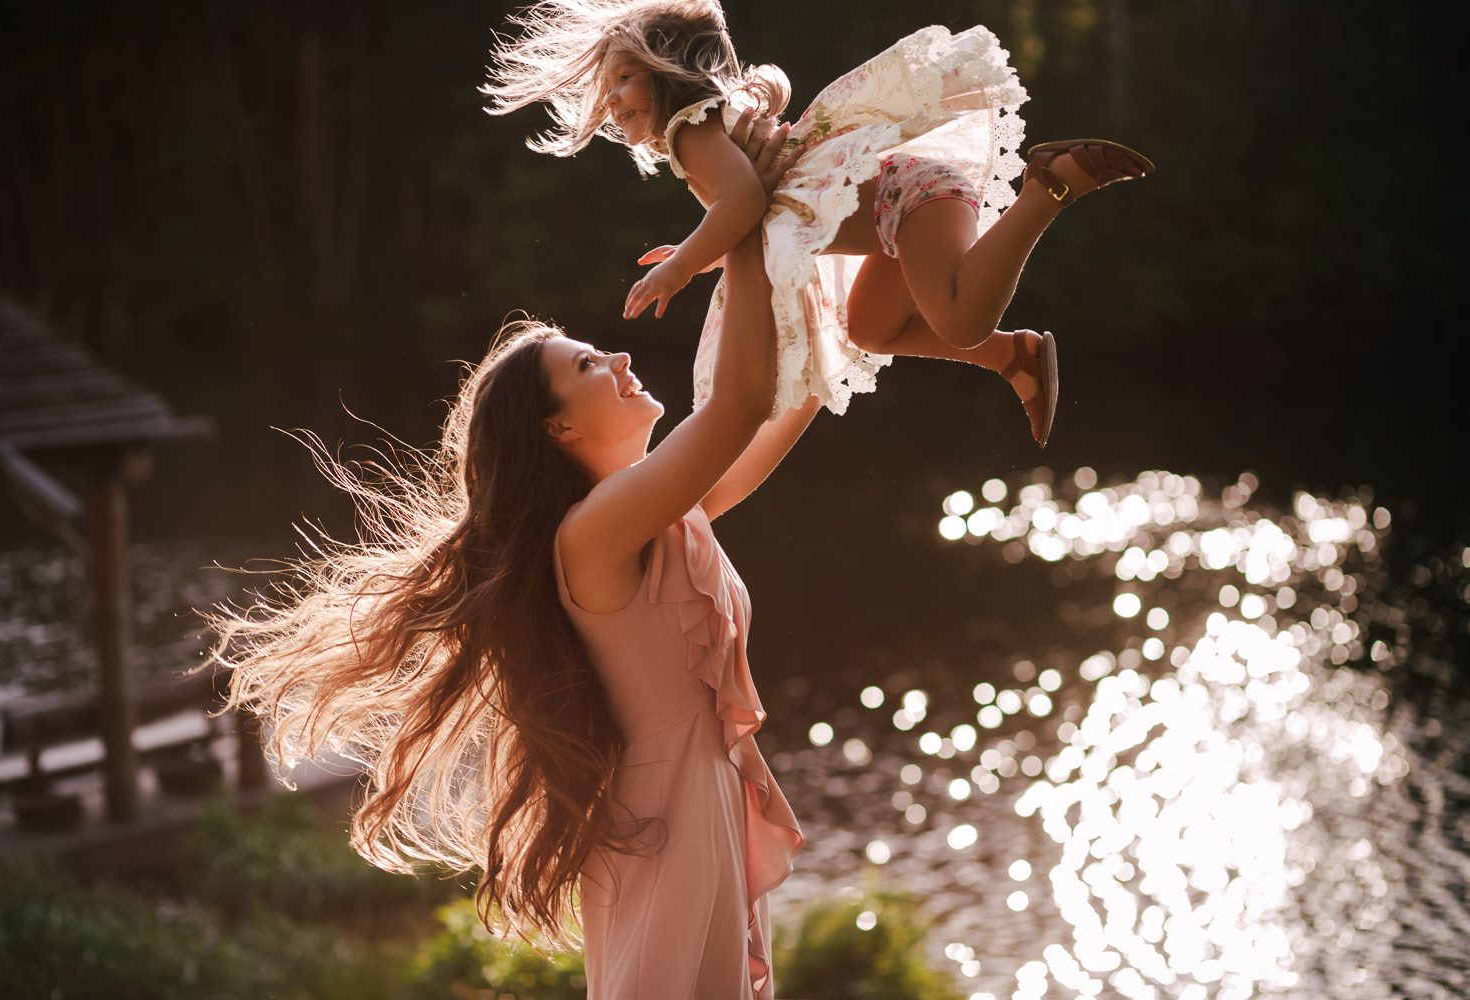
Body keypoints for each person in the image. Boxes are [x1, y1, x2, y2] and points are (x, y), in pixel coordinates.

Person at [205, 117, 811, 999]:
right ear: (560, 429)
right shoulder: (595, 533)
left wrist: (811, 267)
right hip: (668, 824)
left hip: (686, 808)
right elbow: (740, 403)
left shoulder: (653, 513)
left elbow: (772, 409)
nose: (622, 355)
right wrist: (744, 220)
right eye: (592, 364)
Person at [482, 0, 1155, 447]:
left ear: (671, 75)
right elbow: (756, 209)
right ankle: (1015, 356)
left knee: (957, 316)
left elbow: (743, 204)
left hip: (907, 194)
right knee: (866, 327)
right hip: (894, 212)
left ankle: (1049, 186)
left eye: (626, 78)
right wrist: (711, 251)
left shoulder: (692, 132)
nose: (614, 98)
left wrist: (685, 262)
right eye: (609, 86)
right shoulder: (706, 131)